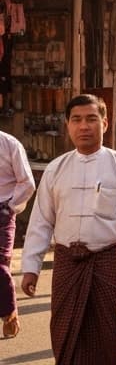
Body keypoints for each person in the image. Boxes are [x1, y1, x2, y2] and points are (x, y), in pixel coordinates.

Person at [21, 94, 116, 362]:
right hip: (68, 260)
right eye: (76, 120)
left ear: (104, 123)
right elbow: (41, 221)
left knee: (110, 334)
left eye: (91, 119)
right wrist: (30, 267)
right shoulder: (57, 169)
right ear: (67, 124)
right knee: (64, 332)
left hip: (108, 259)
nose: (84, 126)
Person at [0, 126, 36, 339]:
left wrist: (10, 207)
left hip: (2, 211)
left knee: (1, 264)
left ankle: (9, 312)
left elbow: (27, 183)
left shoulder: (9, 144)